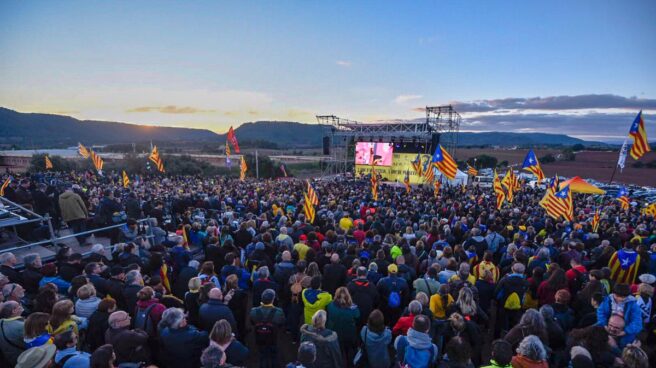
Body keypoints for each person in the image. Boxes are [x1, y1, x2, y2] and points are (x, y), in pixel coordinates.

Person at [596, 283, 643, 348]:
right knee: (593, 331)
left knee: (623, 343)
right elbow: (601, 312)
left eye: (623, 297)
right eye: (618, 296)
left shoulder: (633, 305)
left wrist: (625, 331)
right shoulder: (607, 300)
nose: (620, 299)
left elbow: (637, 322)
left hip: (625, 328)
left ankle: (620, 354)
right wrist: (604, 324)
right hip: (607, 324)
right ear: (613, 293)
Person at [250, 289, 286, 368]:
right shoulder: (279, 312)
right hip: (273, 338)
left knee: (262, 356)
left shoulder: (253, 311)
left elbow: (252, 323)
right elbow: (282, 323)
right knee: (274, 356)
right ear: (273, 300)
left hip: (260, 338)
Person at [326, 286, 360, 366]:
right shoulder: (353, 309)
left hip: (335, 334)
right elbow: (358, 315)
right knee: (350, 353)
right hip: (349, 334)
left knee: (338, 353)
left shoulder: (330, 305)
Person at [0, 300, 25, 365]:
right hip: (23, 359)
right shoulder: (22, 326)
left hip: (8, 360)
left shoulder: (1, 322)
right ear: (13, 311)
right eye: (18, 305)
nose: (20, 306)